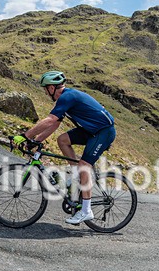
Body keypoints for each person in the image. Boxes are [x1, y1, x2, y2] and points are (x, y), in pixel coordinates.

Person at [13, 70, 116, 225]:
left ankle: (86, 211)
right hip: (91, 131)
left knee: (84, 166)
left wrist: (26, 135)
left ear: (52, 88)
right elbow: (55, 124)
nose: (46, 93)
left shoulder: (67, 97)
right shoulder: (66, 99)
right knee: (63, 140)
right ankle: (76, 176)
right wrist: (36, 140)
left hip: (103, 132)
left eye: (46, 89)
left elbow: (49, 120)